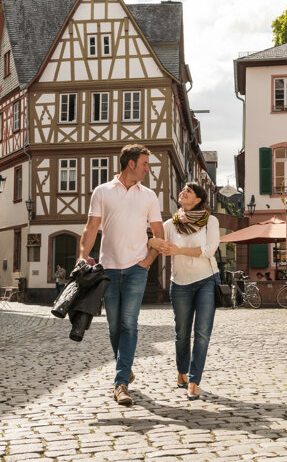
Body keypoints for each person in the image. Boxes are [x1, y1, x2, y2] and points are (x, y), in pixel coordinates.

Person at [78, 144, 164, 407]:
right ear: (131, 164)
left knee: (129, 323)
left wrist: (148, 262)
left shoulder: (149, 196)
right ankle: (125, 367)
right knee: (114, 326)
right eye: (145, 164)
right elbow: (91, 228)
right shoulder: (102, 191)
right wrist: (82, 256)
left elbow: (158, 234)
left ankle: (120, 383)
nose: (148, 169)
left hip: (137, 268)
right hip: (109, 268)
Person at [148, 182, 219, 401]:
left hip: (206, 280)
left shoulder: (210, 221)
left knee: (202, 333)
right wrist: (153, 241)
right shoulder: (171, 224)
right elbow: (158, 243)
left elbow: (210, 250)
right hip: (179, 283)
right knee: (181, 334)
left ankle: (194, 381)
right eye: (183, 190)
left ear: (198, 199)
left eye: (189, 191)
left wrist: (179, 250)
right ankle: (181, 371)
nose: (183, 192)